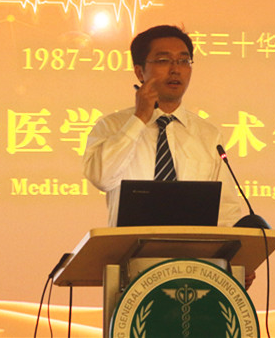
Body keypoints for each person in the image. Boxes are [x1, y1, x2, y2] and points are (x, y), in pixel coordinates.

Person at [82, 25, 243, 227]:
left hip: (192, 247)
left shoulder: (208, 135)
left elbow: (226, 211)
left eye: (183, 61)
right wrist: (140, 118)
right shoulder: (112, 126)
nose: (175, 69)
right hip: (132, 246)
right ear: (140, 72)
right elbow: (102, 178)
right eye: (163, 60)